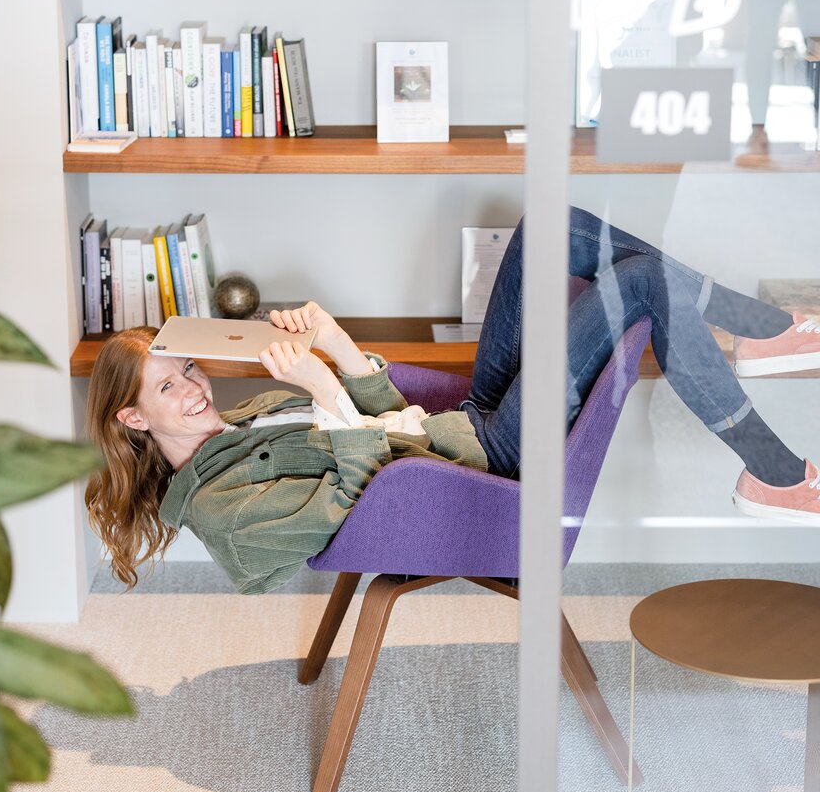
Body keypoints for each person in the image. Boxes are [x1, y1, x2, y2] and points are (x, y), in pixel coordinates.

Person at [85, 206, 820, 594]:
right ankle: (774, 466)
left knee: (544, 228)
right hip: (486, 463)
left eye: (189, 369)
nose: (195, 387)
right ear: (133, 417)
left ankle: (763, 336)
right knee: (636, 284)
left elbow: (378, 414)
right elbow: (354, 499)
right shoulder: (223, 508)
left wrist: (337, 347)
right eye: (170, 385)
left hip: (464, 423)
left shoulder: (237, 425)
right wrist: (321, 391)